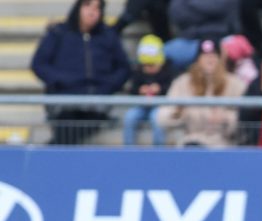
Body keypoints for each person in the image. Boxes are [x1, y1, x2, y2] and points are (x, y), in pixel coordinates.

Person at [30, 0, 130, 145]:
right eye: (87, 6)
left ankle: (46, 153)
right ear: (78, 8)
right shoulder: (58, 33)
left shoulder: (108, 36)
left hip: (96, 101)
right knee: (68, 123)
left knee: (83, 125)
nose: (92, 12)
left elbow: (124, 68)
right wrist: (62, 80)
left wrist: (107, 86)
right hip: (64, 100)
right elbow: (39, 64)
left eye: (97, 8)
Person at [157, 39, 247, 147]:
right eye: (205, 55)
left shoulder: (235, 84)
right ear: (198, 59)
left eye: (214, 55)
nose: (210, 59)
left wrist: (226, 117)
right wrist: (178, 113)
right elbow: (162, 117)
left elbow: (246, 119)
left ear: (220, 59)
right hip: (190, 142)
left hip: (223, 145)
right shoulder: (182, 83)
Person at [123, 34, 175, 146]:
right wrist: (140, 90)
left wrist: (160, 89)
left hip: (159, 107)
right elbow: (132, 90)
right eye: (146, 65)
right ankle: (128, 150)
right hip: (141, 106)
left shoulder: (168, 72)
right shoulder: (138, 72)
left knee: (157, 120)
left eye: (152, 65)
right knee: (129, 117)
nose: (149, 68)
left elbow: (172, 91)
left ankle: (158, 151)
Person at [163, 0, 240, 70]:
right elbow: (177, 14)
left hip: (223, 39)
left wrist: (195, 13)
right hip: (191, 41)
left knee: (243, 47)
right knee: (163, 54)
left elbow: (231, 10)